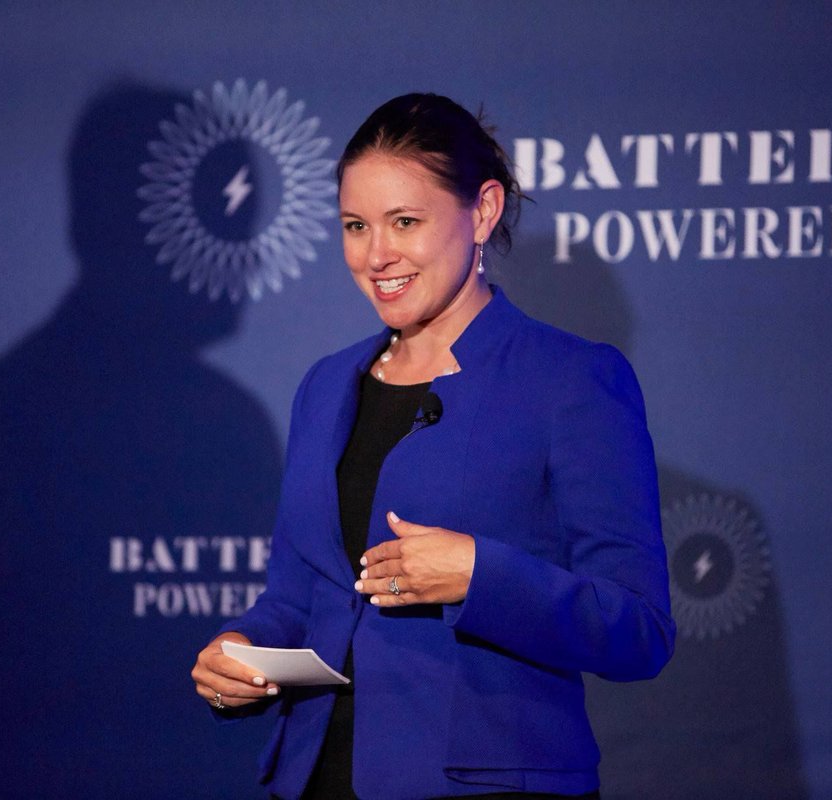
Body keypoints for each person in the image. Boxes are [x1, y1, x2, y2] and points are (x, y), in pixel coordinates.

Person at [191, 93, 675, 800]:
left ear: (482, 211)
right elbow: (298, 597)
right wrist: (240, 652)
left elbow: (639, 631)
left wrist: (481, 575)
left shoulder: (571, 379)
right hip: (315, 779)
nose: (376, 255)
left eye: (405, 222)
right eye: (355, 226)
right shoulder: (325, 386)